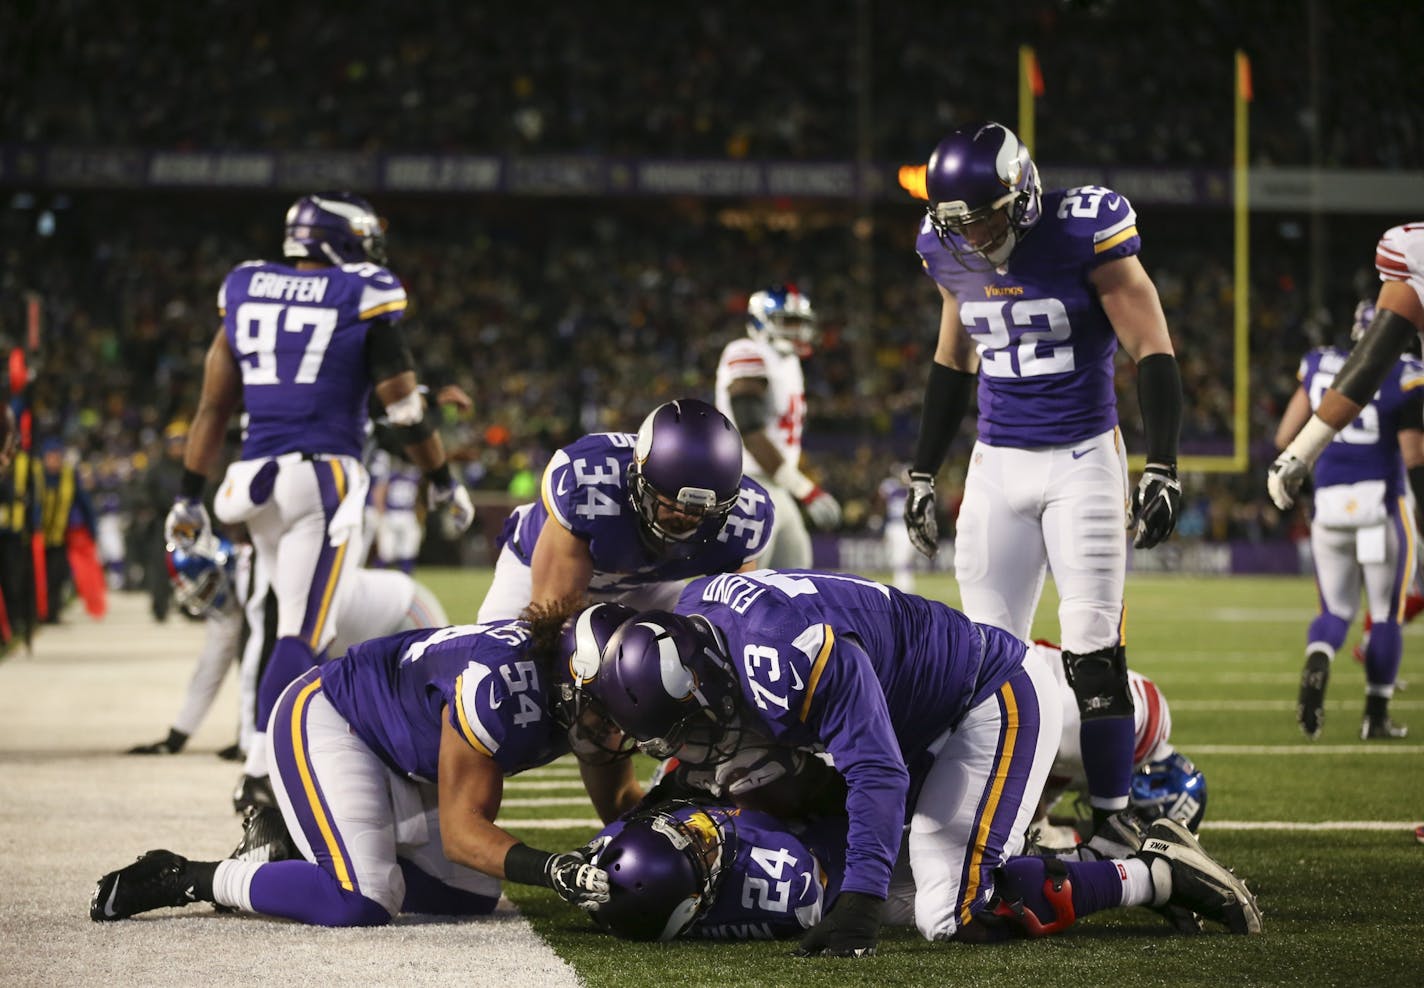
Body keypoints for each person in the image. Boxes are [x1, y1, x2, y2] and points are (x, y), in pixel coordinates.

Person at [590, 570, 1258, 954]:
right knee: (909, 884)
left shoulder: (787, 656)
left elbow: (876, 770)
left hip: (988, 698)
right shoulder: (695, 619)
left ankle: (1156, 873)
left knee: (950, 911)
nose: (683, 746)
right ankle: (1035, 856)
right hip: (920, 717)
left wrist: (857, 900)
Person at [903, 121, 1184, 838]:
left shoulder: (1083, 231)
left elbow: (1151, 346)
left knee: (1093, 655)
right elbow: (951, 361)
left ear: (1021, 193)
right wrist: (923, 471)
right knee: (984, 666)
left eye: (986, 217)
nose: (973, 235)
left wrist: (1164, 465)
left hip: (1083, 460)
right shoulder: (944, 249)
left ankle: (1117, 822)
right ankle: (1006, 815)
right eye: (957, 223)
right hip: (996, 466)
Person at [164, 192, 475, 814]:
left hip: (250, 480)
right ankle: (261, 775)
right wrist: (442, 478)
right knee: (300, 632)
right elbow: (404, 408)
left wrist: (187, 498)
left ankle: (286, 749)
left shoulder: (247, 284)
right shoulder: (360, 291)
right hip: (321, 476)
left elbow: (213, 406)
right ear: (343, 241)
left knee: (288, 619)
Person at [91, 601, 615, 926]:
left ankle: (291, 845)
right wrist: (554, 869)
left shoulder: (584, 686)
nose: (616, 732)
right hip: (331, 715)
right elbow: (464, 833)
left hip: (400, 755)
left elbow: (618, 803)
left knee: (471, 892)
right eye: (606, 714)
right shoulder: (501, 688)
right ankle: (188, 877)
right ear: (574, 683)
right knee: (360, 900)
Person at [582, 796, 1254, 945]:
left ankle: (1105, 854)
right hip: (857, 848)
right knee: (1002, 902)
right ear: (699, 899)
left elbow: (618, 842)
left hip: (844, 807)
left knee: (1000, 874)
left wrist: (581, 866)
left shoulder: (655, 876)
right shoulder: (773, 886)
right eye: (702, 852)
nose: (709, 833)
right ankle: (1157, 873)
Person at [127, 532, 453, 759]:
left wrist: (253, 744)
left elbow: (280, 659)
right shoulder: (238, 595)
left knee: (424, 725)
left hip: (404, 613)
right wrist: (178, 735)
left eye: (207, 586)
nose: (204, 598)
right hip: (353, 640)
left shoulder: (268, 579)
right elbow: (211, 667)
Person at [475, 398, 774, 622]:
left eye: (700, 509)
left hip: (648, 585)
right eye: (671, 502)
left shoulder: (745, 519)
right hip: (534, 567)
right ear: (640, 482)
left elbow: (736, 628)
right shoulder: (589, 486)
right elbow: (549, 621)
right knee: (509, 667)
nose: (685, 516)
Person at [1273, 300, 1424, 741]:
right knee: (1384, 613)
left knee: (1336, 610)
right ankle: (1375, 716)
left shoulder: (1320, 364)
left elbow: (1287, 437)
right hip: (1380, 504)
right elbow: (1414, 456)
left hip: (1330, 505)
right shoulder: (1406, 372)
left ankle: (1319, 655)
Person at [1269, 223, 1424, 513]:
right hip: (1380, 497)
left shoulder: (1411, 248)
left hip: (1333, 498)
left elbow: (1373, 361)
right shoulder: (1408, 373)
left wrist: (1300, 453)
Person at [713, 286, 840, 567]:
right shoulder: (746, 351)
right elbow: (750, 430)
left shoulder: (790, 363)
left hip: (776, 485)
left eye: (800, 323)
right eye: (787, 322)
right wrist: (805, 489)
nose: (797, 331)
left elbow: (783, 437)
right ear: (761, 321)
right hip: (746, 483)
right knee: (744, 584)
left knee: (794, 574)